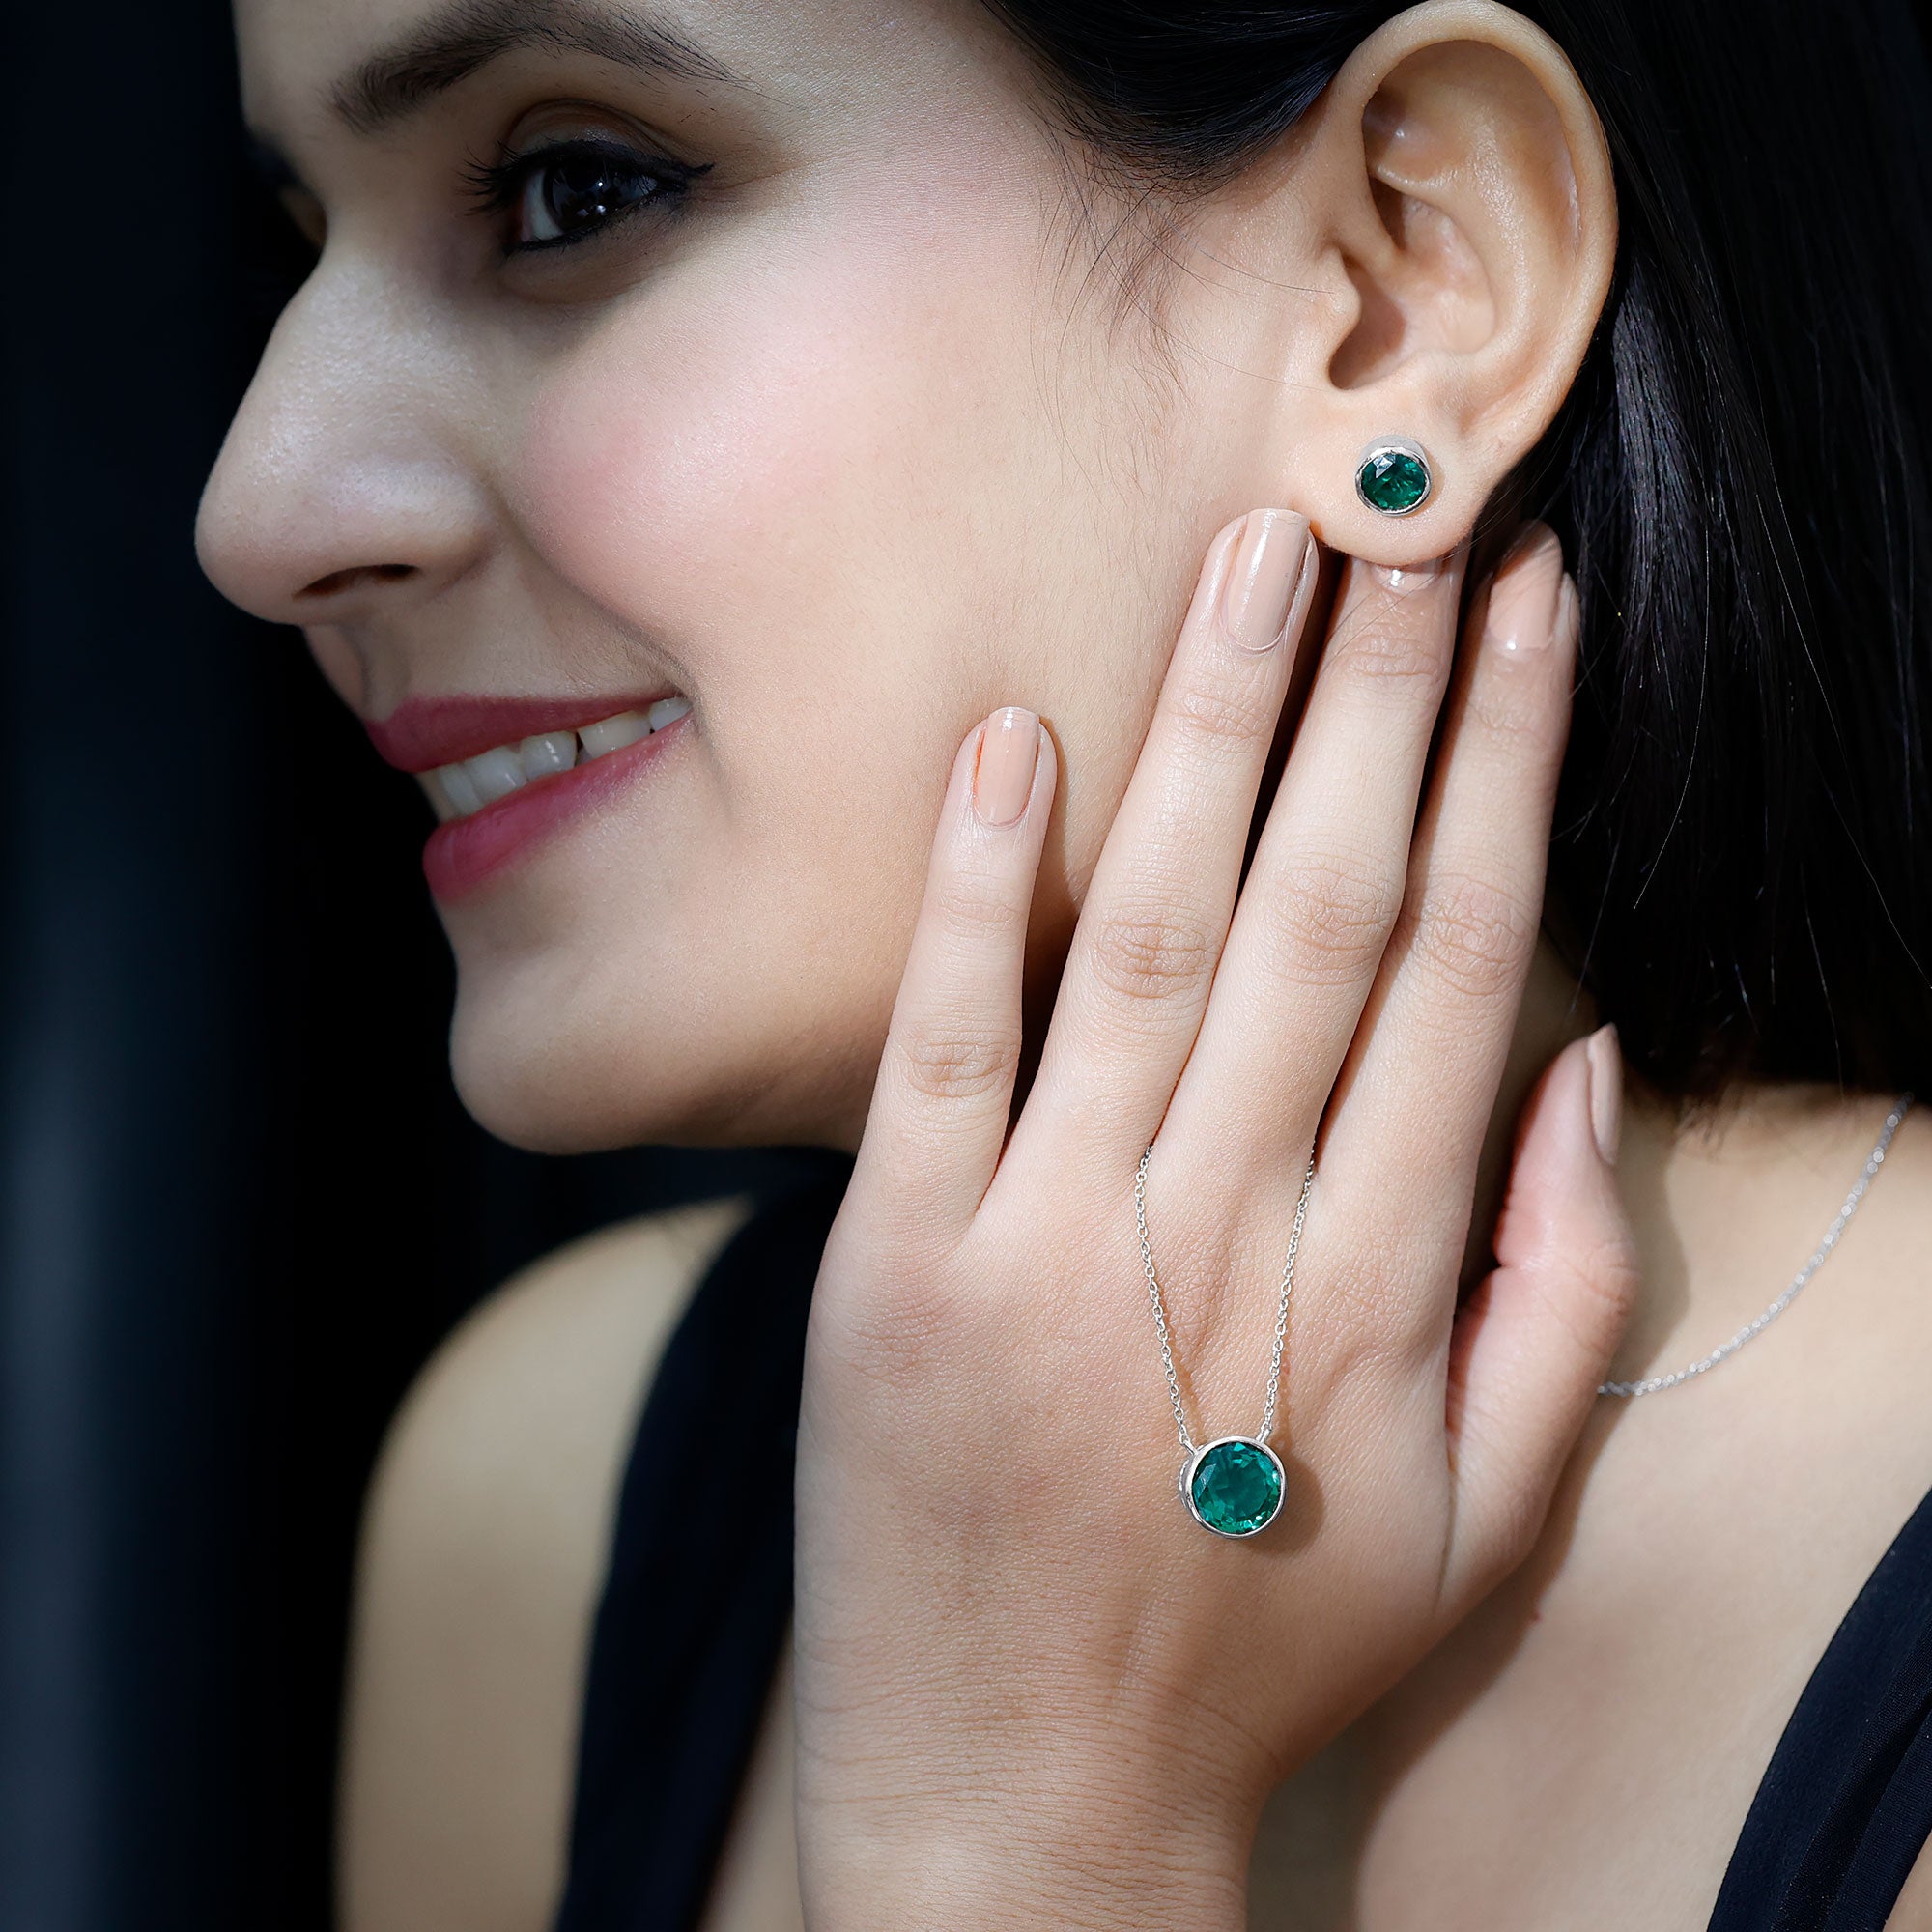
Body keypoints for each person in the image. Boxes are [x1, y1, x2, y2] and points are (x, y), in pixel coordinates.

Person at [196, 0, 1932, 1924]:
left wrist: (1013, 1842)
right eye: (304, 243)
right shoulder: (549, 1506)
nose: (261, 511)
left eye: (571, 190)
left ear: (1403, 289)